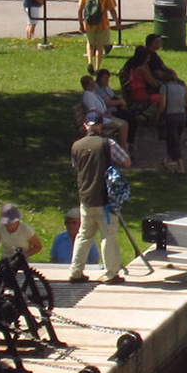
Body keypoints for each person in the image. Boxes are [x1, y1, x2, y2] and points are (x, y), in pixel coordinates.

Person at [68, 115, 129, 283]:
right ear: (101, 127)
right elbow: (127, 160)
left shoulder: (76, 146)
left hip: (85, 197)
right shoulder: (107, 144)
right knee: (108, 235)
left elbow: (76, 166)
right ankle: (111, 273)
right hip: (105, 199)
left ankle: (76, 271)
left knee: (84, 235)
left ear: (85, 125)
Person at [77, 0, 119, 71]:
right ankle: (97, 68)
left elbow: (80, 10)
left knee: (90, 43)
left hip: (89, 23)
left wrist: (81, 24)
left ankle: (89, 62)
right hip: (102, 23)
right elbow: (112, 10)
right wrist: (116, 22)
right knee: (100, 46)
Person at [158, 70, 187, 174]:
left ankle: (181, 166)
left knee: (174, 141)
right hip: (182, 115)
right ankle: (167, 160)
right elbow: (185, 103)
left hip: (170, 116)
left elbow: (162, 104)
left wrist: (158, 114)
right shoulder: (181, 88)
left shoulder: (164, 88)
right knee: (172, 139)